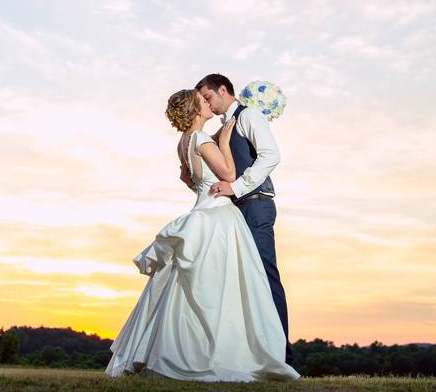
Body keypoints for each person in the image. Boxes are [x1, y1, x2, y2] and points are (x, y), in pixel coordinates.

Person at [105, 89, 299, 382]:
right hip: (219, 215)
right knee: (225, 287)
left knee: (194, 285)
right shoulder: (205, 140)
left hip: (201, 208)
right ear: (196, 109)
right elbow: (229, 176)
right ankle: (224, 350)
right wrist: (222, 141)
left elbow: (189, 179)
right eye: (203, 101)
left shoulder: (183, 142)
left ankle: (184, 348)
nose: (208, 105)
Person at [195, 73, 293, 364]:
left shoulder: (249, 116)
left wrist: (235, 187)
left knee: (265, 276)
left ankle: (283, 356)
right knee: (243, 282)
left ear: (222, 90)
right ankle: (251, 352)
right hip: (238, 209)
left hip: (256, 205)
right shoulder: (225, 126)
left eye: (208, 97)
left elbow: (270, 156)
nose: (207, 105)